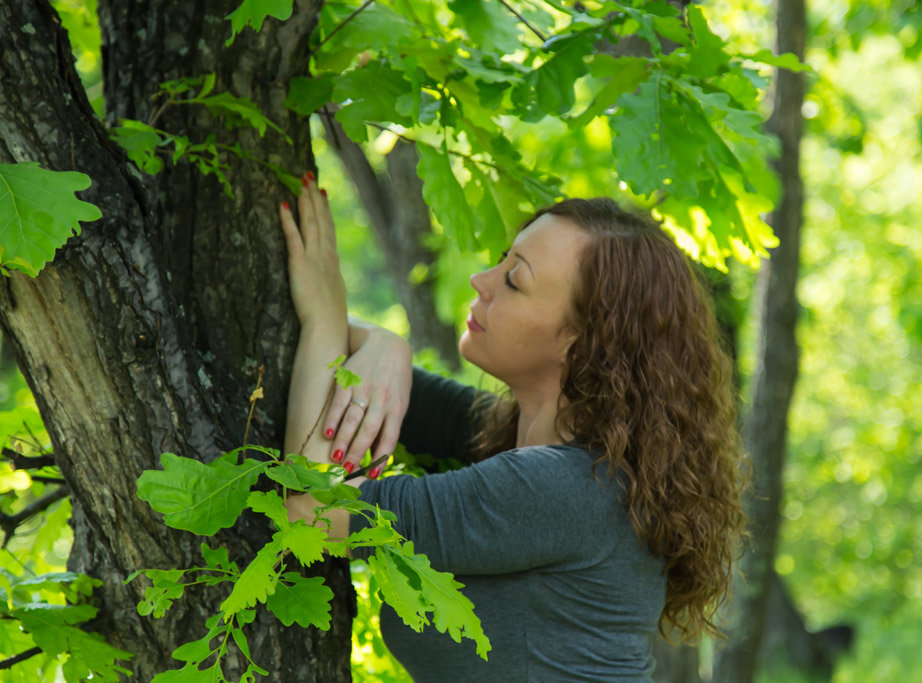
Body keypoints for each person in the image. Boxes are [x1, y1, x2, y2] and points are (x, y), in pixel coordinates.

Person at [280, 173, 745, 682]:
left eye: (514, 280)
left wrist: (326, 322)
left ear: (580, 342)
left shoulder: (560, 489)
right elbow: (375, 384)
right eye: (502, 260)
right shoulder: (515, 438)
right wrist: (387, 344)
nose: (482, 279)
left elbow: (310, 514)